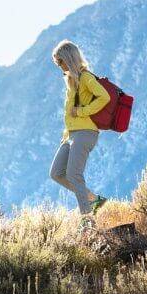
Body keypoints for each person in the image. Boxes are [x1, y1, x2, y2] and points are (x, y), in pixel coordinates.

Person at [49, 40, 109, 218]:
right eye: (57, 63)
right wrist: (67, 134)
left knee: (74, 174)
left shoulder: (85, 77)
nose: (60, 66)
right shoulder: (72, 81)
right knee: (56, 173)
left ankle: (87, 220)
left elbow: (103, 97)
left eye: (61, 62)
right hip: (71, 135)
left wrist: (83, 111)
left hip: (85, 133)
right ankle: (93, 199)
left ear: (69, 58)